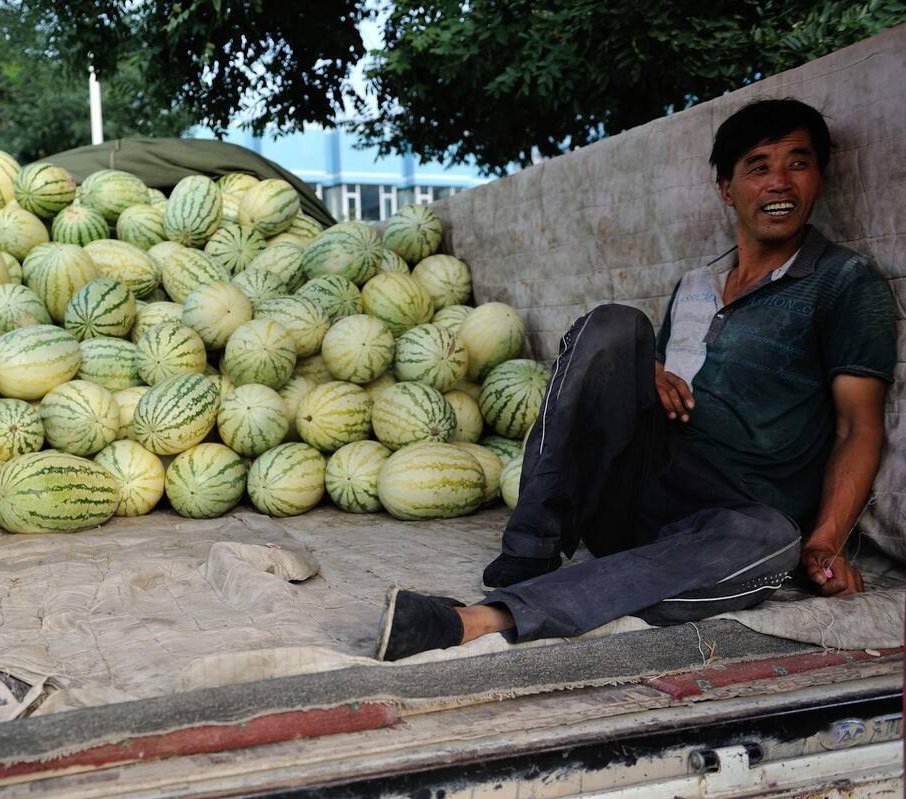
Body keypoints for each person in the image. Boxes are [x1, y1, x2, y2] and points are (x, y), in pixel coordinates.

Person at [376, 98, 898, 662]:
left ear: (819, 177)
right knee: (613, 325)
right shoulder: (695, 284)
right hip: (638, 492)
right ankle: (529, 554)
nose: (780, 182)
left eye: (798, 163)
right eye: (758, 166)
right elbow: (658, 382)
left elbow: (857, 427)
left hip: (734, 513)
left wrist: (825, 540)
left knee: (771, 542)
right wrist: (645, 371)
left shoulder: (844, 281)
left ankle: (478, 619)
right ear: (727, 188)